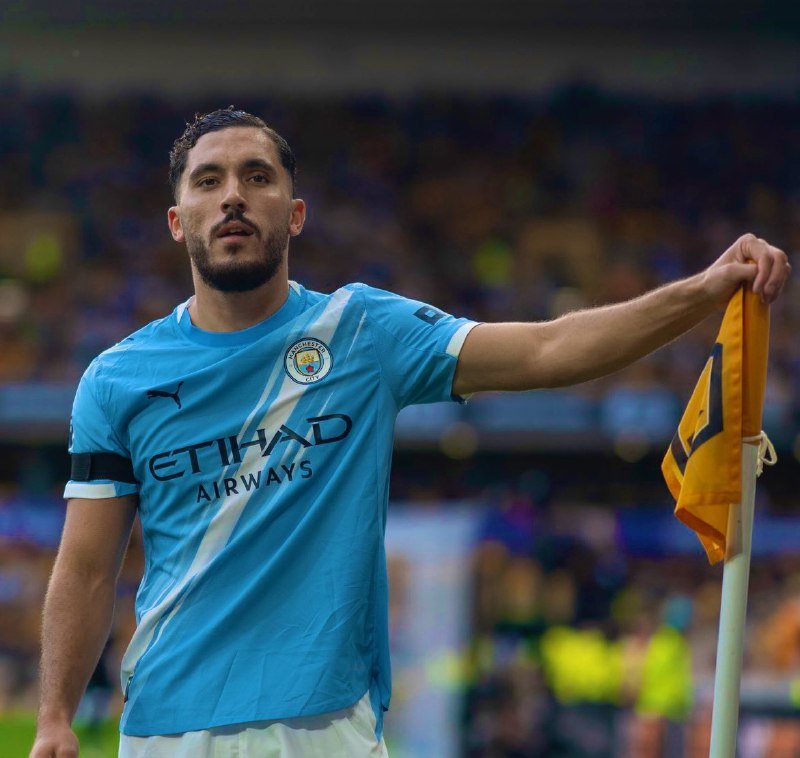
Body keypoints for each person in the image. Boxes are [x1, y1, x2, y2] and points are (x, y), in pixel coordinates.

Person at [30, 107, 790, 758]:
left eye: (257, 176)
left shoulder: (362, 329)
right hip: (169, 727)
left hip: (324, 726)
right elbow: (87, 569)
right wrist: (54, 715)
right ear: (177, 221)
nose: (233, 195)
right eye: (208, 180)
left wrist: (703, 290)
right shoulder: (117, 379)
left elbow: (547, 349)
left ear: (295, 214)